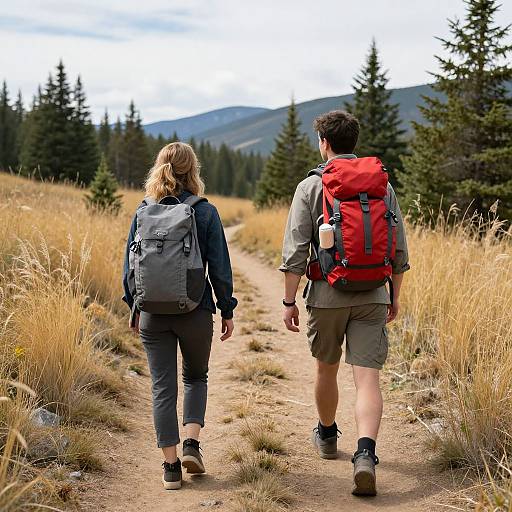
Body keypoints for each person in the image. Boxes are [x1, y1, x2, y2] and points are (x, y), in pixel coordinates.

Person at [279, 110, 410, 496]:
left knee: (326, 370)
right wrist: (394, 297)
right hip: (372, 293)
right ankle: (366, 454)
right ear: (354, 141)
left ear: (324, 142)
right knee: (367, 378)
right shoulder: (382, 186)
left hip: (326, 295)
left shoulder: (311, 187)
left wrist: (289, 301)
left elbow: (295, 251)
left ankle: (326, 434)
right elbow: (398, 249)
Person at [122, 142, 237, 490]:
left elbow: (129, 266)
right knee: (196, 377)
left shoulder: (144, 210)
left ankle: (171, 468)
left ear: (159, 169)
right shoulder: (205, 211)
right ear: (193, 171)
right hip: (195, 310)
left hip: (152, 314)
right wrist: (227, 308)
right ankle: (191, 444)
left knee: (162, 388)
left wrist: (134, 306)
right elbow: (219, 267)